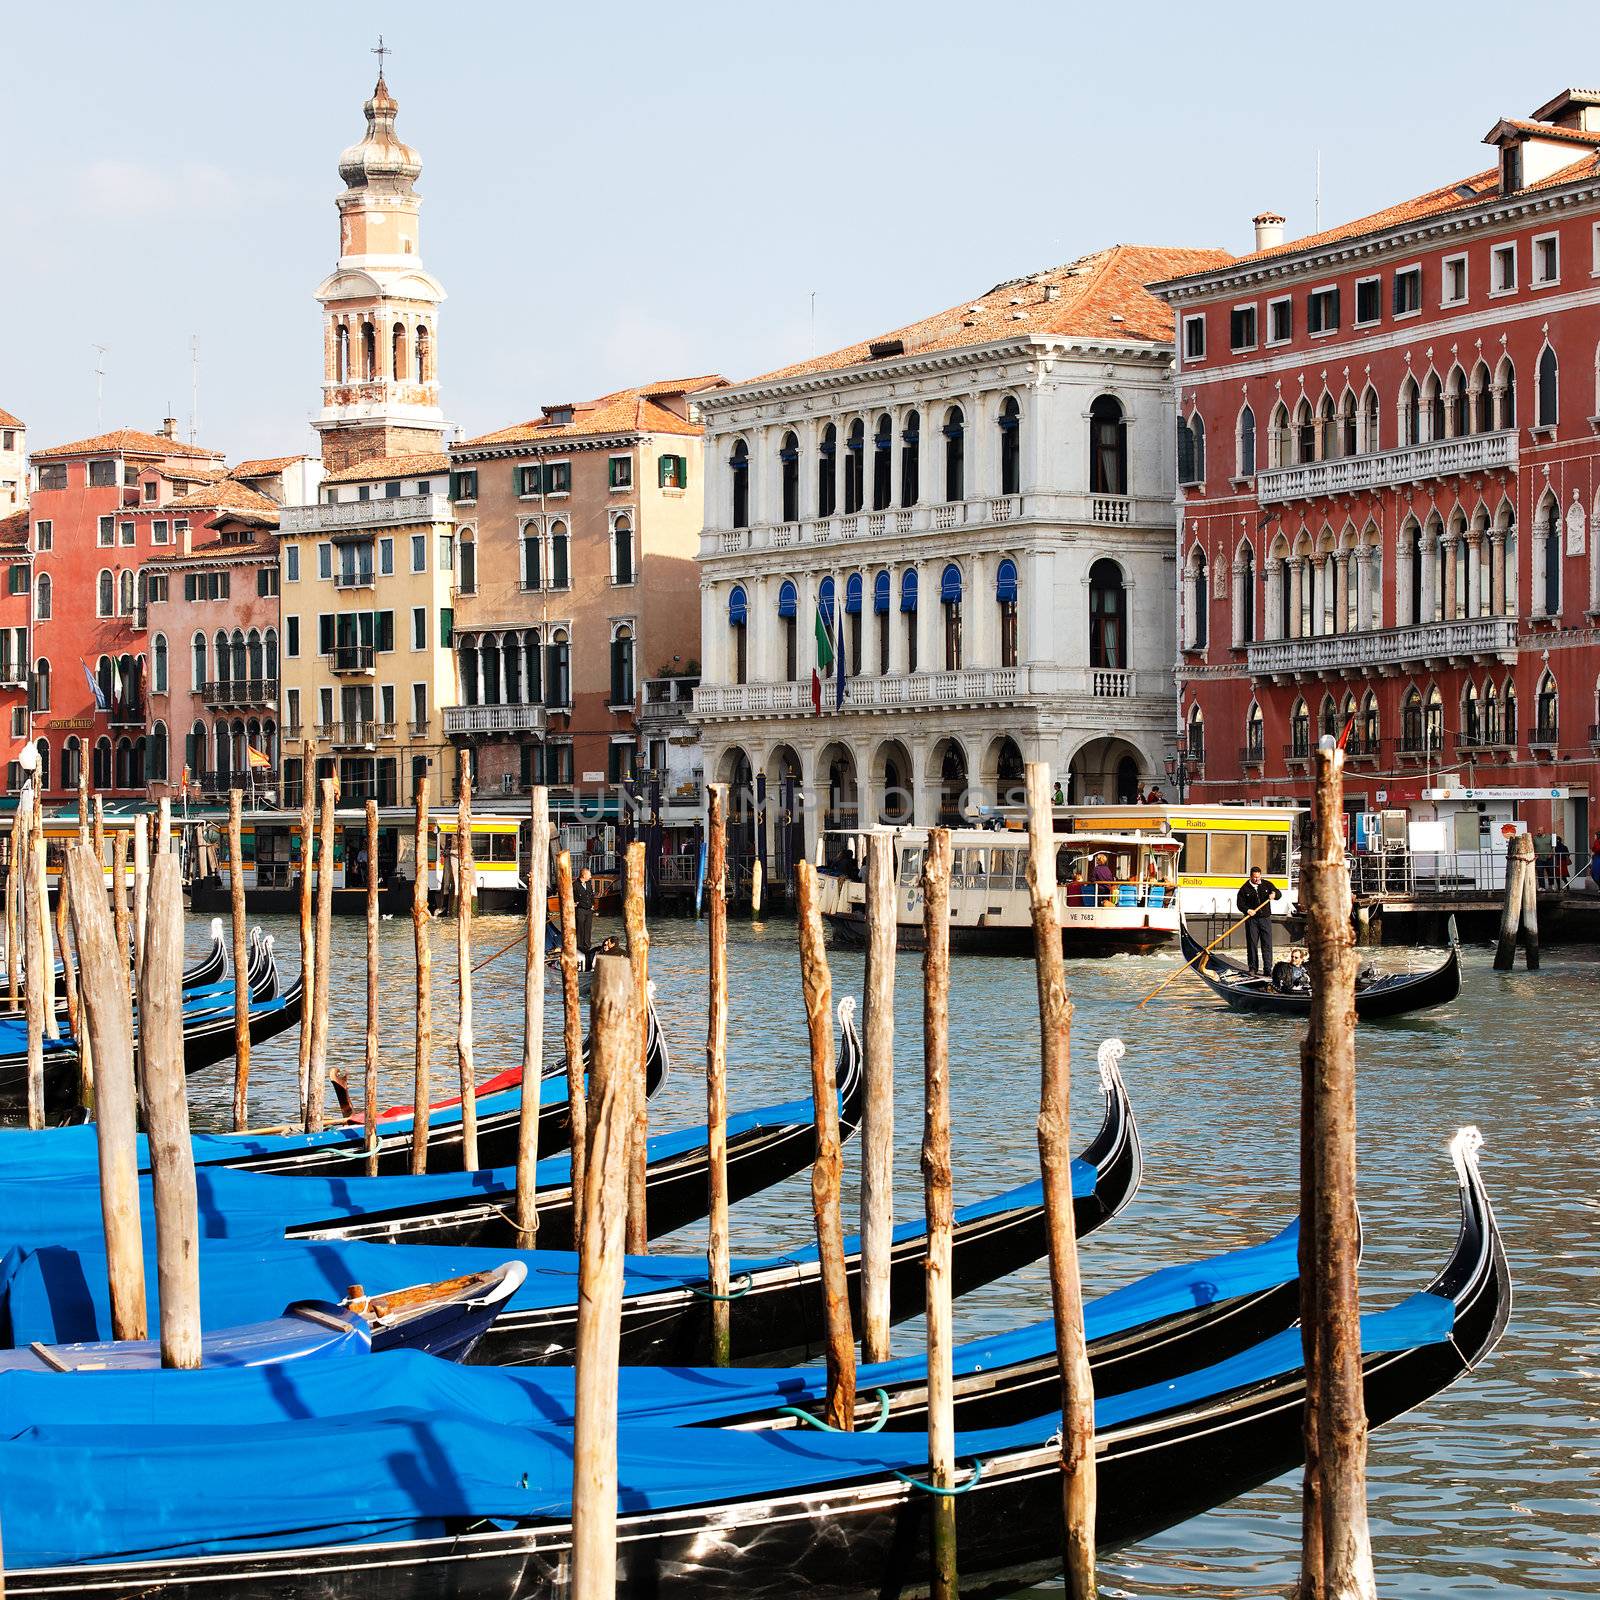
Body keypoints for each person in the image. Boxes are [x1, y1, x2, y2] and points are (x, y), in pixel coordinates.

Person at [1236, 866, 1282, 976]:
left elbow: (1278, 893)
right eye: (1255, 877)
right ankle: (1252, 968)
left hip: (1265, 919)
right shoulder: (1245, 889)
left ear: (1260, 875)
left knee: (1267, 944)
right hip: (1252, 920)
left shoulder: (1267, 885)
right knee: (1252, 944)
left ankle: (1267, 969)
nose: (1257, 879)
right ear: (1251, 876)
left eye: (1258, 877)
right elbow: (1240, 904)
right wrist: (1247, 910)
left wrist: (1275, 895)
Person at [574, 866, 596, 952]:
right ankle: (579, 946)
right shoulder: (575, 885)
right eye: (589, 875)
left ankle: (587, 946)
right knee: (580, 928)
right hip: (580, 910)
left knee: (588, 928)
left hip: (589, 909)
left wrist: (592, 904)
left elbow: (591, 895)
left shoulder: (589, 884)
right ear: (583, 875)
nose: (590, 877)